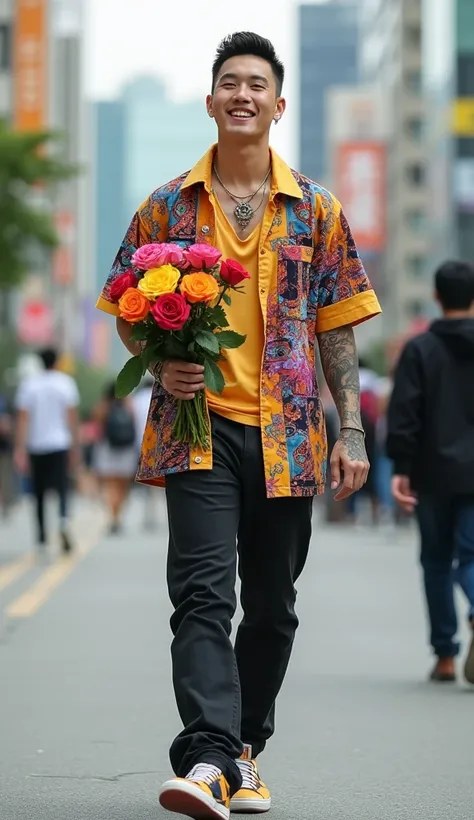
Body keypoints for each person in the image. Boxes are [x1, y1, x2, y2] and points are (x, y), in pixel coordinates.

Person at [96, 32, 381, 820]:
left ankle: (242, 752)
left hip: (288, 434)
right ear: (212, 99)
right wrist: (159, 362)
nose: (243, 94)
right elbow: (126, 305)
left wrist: (351, 431)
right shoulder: (166, 205)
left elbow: (339, 325)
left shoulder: (317, 208)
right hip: (196, 425)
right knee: (200, 596)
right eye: (230, 82)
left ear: (278, 105)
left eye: (258, 84)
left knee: (274, 605)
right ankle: (210, 756)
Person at [387, 260, 474, 686]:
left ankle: (444, 655)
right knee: (472, 556)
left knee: (436, 560)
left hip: (433, 470)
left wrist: (401, 467)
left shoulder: (420, 349)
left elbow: (405, 412)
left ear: (437, 297)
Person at [14, 347, 80, 552]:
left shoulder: (29, 385)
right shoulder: (65, 383)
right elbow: (71, 416)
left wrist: (20, 448)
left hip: (37, 445)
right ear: (56, 362)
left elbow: (23, 419)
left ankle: (42, 539)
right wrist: (75, 446)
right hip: (60, 443)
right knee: (62, 488)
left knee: (39, 493)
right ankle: (63, 520)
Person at [92, 382, 137, 534]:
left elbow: (97, 427)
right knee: (123, 486)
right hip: (126, 449)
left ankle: (113, 516)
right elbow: (134, 422)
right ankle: (117, 516)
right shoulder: (128, 404)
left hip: (108, 448)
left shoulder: (102, 407)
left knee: (111, 485)